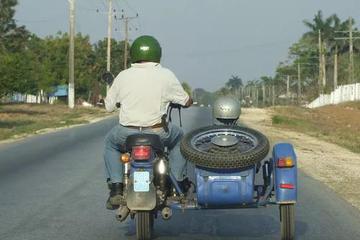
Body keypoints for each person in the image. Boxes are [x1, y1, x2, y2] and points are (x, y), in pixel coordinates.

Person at [103, 35, 193, 209]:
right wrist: (188, 101)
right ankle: (178, 184)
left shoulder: (123, 76)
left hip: (127, 133)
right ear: (157, 53)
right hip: (157, 132)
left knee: (110, 144)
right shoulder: (166, 75)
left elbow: (108, 106)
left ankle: (115, 188)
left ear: (133, 53)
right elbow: (185, 100)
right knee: (181, 139)